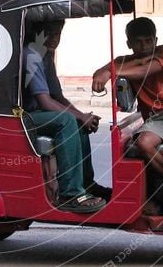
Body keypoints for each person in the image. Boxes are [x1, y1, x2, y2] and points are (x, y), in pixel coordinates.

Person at [92, 17, 163, 226]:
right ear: (129, 43)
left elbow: (146, 70)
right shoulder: (123, 61)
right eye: (138, 42)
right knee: (144, 144)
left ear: (156, 40)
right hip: (157, 118)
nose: (144, 46)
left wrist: (113, 71)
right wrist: (107, 71)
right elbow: (99, 74)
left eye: (148, 41)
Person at [23, 23, 107, 214]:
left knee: (76, 121)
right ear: (37, 32)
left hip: (38, 113)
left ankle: (86, 185)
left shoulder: (46, 54)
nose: (54, 38)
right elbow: (45, 102)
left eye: (57, 33)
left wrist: (83, 116)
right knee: (67, 120)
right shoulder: (31, 54)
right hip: (24, 117)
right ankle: (71, 194)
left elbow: (58, 97)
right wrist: (77, 116)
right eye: (49, 33)